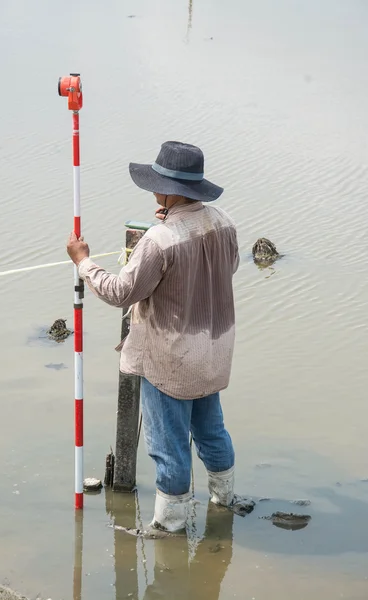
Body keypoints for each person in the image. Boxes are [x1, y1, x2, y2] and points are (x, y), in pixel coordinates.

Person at [66, 141, 240, 533]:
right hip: (213, 349)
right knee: (211, 430)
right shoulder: (224, 221)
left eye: (158, 183)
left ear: (171, 190)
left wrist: (83, 262)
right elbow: (227, 268)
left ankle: (170, 525)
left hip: (171, 357)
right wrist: (171, 223)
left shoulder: (159, 240)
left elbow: (119, 292)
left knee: (168, 447)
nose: (153, 190)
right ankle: (224, 500)